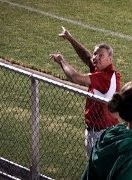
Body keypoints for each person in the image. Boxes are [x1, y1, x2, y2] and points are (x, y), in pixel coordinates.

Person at [49, 26, 121, 156]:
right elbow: (86, 56)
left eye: (101, 55)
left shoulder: (105, 77)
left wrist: (61, 61)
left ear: (110, 59)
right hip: (99, 131)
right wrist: (70, 38)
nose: (96, 57)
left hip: (102, 134)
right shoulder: (103, 71)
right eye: (95, 54)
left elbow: (75, 78)